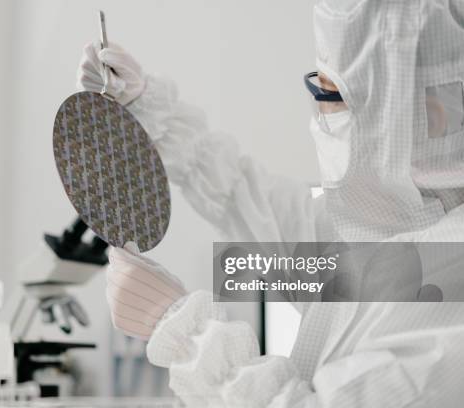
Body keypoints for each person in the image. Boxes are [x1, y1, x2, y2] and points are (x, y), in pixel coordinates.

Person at [78, 0, 464, 406]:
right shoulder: (381, 230)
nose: (321, 116)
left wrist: (185, 334)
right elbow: (246, 199)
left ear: (432, 118)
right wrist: (146, 107)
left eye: (333, 97)